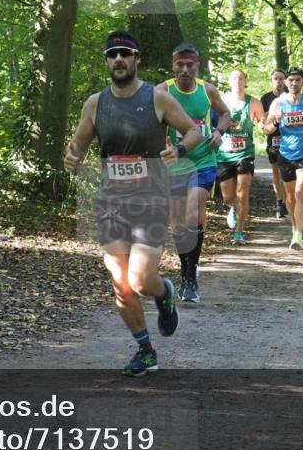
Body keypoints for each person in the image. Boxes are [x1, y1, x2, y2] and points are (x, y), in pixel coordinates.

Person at [64, 32, 203, 376]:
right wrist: (73, 157)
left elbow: (194, 131)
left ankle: (164, 291)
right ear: (107, 61)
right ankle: (145, 350)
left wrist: (180, 149)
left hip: (150, 202)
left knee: (141, 280)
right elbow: (78, 143)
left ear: (136, 58)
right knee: (120, 282)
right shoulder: (96, 103)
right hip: (111, 204)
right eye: (112, 55)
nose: (119, 60)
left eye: (125, 54)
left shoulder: (157, 98)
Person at [157, 43, 231, 303]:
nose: (185, 70)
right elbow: (146, 123)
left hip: (202, 161)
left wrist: (219, 131)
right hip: (173, 165)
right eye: (180, 65)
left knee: (192, 215)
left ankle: (190, 277)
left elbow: (225, 113)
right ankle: (186, 268)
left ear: (197, 67)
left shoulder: (207, 90)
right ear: (173, 65)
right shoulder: (162, 91)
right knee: (177, 224)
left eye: (190, 65)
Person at [266, 68, 303, 250]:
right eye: (291, 80)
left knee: (299, 192)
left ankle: (298, 234)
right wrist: (275, 122)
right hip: (286, 154)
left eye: (298, 80)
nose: (294, 83)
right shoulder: (278, 103)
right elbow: (266, 129)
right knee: (290, 196)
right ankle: (294, 225)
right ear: (286, 82)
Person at [217, 70, 265, 244]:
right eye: (234, 78)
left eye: (241, 78)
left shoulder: (254, 103)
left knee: (242, 193)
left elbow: (263, 123)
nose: (238, 81)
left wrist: (264, 124)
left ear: (246, 81)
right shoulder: (220, 101)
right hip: (224, 154)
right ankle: (232, 207)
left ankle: (239, 232)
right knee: (228, 197)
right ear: (229, 81)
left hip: (245, 154)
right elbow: (211, 121)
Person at [260, 69, 288, 219]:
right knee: (276, 172)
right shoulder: (266, 98)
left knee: (288, 172)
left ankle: (287, 201)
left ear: (285, 81)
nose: (278, 81)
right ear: (271, 81)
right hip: (273, 138)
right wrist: (262, 122)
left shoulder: (291, 96)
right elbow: (261, 118)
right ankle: (279, 202)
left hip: (290, 139)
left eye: (281, 79)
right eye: (275, 79)